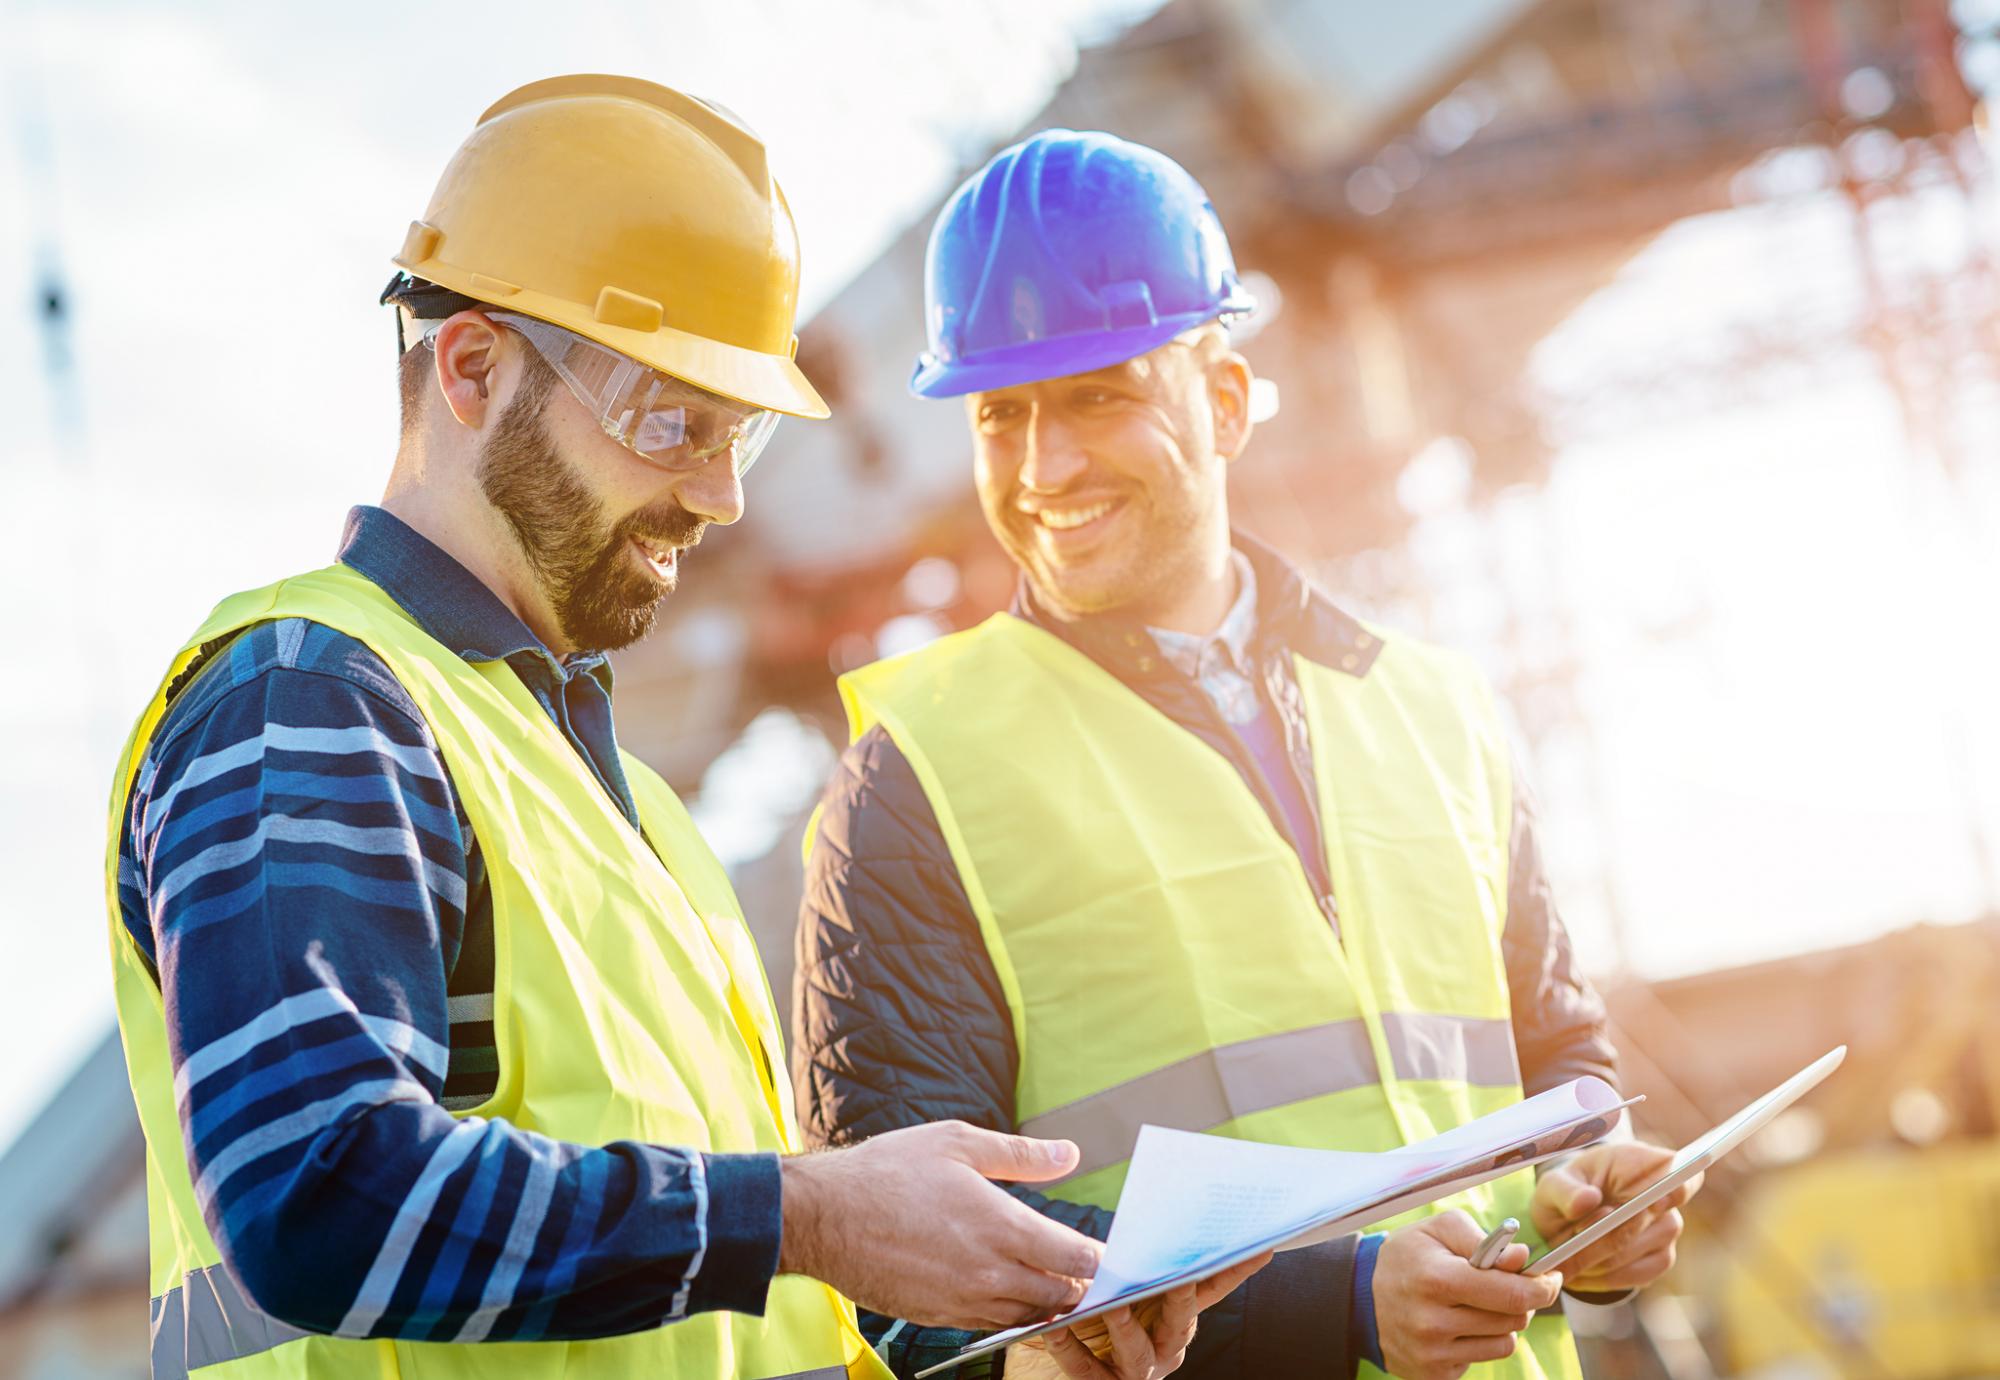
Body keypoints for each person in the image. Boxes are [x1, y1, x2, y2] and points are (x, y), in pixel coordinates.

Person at [107, 80, 1256, 1380]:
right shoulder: (309, 694)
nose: (715, 498)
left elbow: (721, 1320)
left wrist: (1015, 1354)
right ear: (474, 369)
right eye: (671, 424)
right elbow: (316, 1193)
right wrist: (816, 1213)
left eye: (741, 438)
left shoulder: (638, 820)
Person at [793, 129, 1697, 1380]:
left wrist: (1583, 1195)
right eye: (1002, 416)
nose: (1044, 468)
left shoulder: (1435, 708)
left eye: (1098, 396)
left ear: (1222, 401)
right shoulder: (916, 778)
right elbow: (913, 1273)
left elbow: (1553, 1057)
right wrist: (1332, 1309)